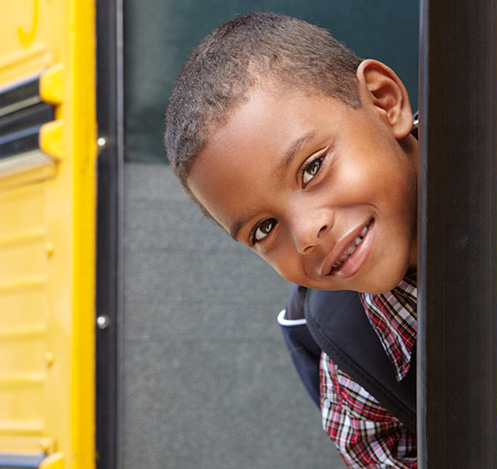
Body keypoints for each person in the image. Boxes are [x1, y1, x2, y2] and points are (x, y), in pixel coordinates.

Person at [165, 12, 419, 467]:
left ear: (384, 103)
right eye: (263, 229)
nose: (306, 235)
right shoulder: (356, 374)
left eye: (312, 167)